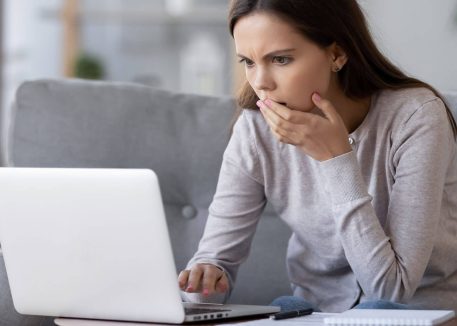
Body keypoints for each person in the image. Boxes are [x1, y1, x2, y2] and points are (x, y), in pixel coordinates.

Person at [178, 0, 457, 313]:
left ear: (337, 54)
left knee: (374, 309)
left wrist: (336, 160)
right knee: (284, 309)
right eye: (249, 62)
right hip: (313, 311)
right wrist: (205, 280)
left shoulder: (416, 117)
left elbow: (390, 291)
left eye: (280, 59)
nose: (260, 83)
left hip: (417, 312)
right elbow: (214, 265)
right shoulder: (255, 129)